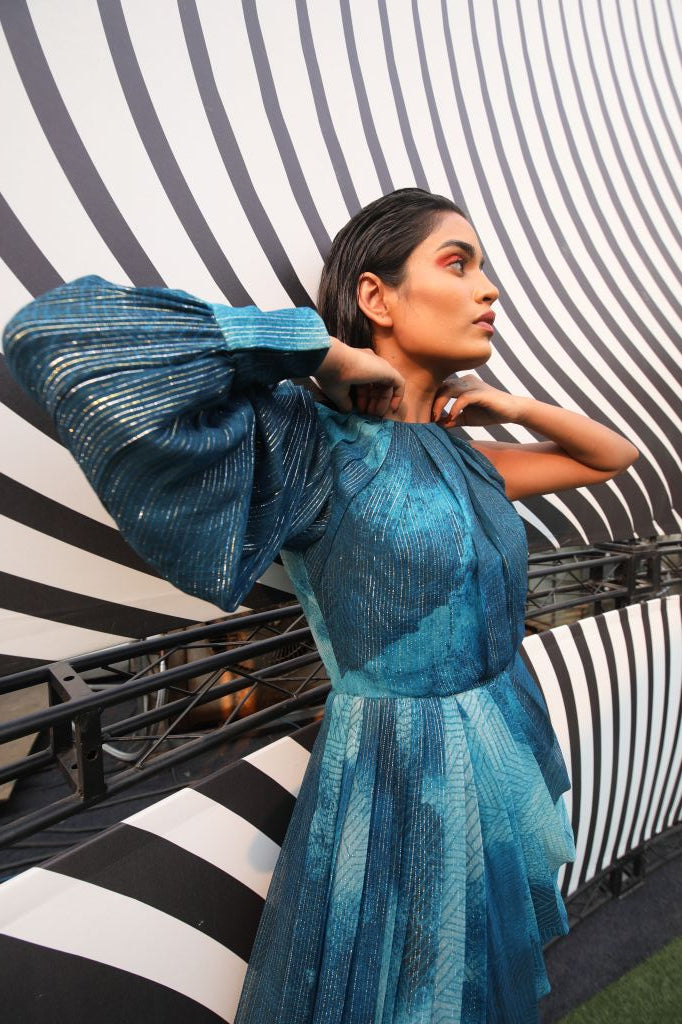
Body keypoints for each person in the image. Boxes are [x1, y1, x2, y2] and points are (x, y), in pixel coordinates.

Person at [3, 187, 638, 1022]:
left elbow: (611, 457)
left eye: (484, 268)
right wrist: (319, 353)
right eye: (458, 263)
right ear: (376, 296)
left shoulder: (468, 458)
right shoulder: (312, 441)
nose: (490, 289)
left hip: (500, 735)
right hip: (397, 768)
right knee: (396, 993)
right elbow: (51, 337)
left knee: (471, 975)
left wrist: (510, 406)